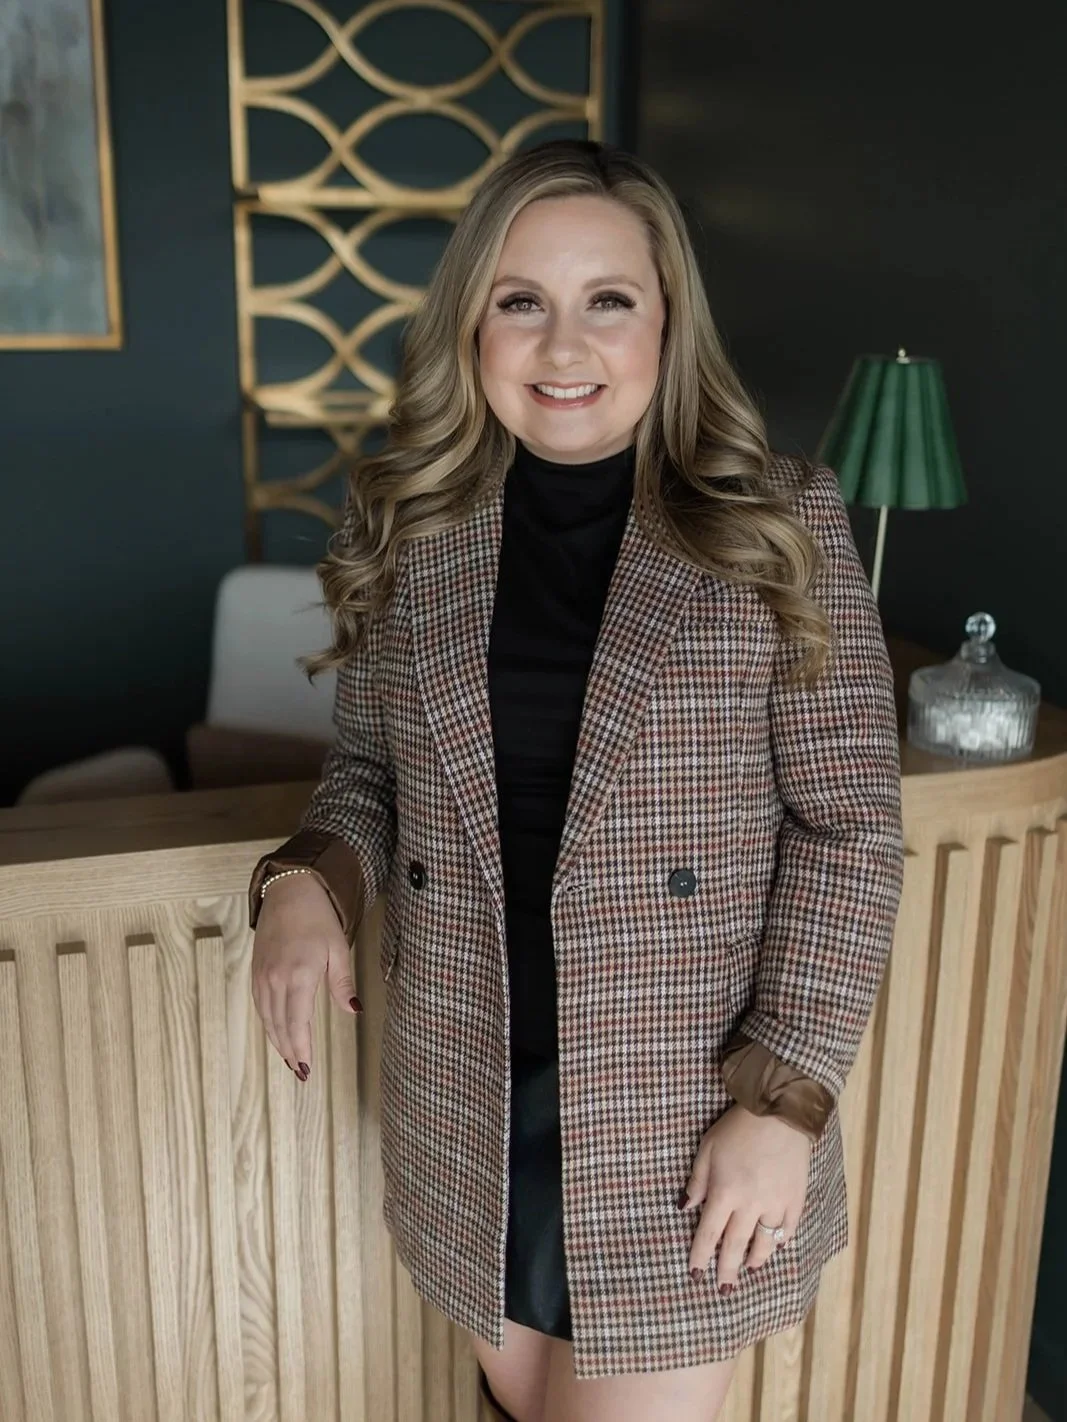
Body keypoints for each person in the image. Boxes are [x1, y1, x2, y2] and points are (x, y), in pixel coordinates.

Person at [247, 138, 904, 1422]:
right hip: (474, 1095)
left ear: (667, 323)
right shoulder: (408, 525)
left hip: (683, 1113)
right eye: (519, 301)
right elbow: (369, 775)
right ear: (471, 327)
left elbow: (848, 835)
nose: (563, 346)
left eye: (607, 299)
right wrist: (305, 883)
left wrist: (781, 1104)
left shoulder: (774, 518)